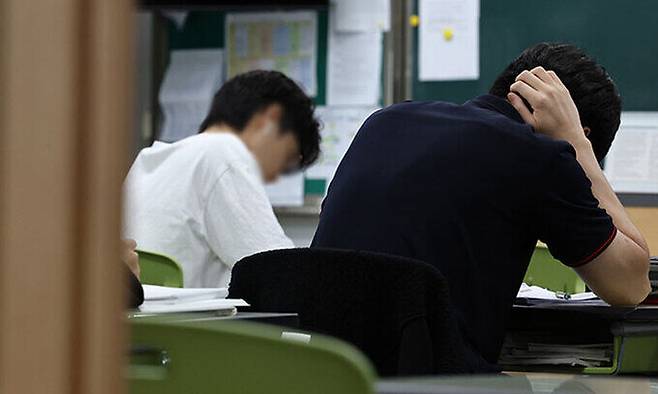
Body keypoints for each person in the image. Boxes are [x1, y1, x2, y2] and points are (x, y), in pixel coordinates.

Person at [312, 43, 651, 368]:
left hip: (330, 372)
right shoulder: (538, 156)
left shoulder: (384, 121)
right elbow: (631, 286)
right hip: (429, 380)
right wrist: (577, 145)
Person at [124, 70, 321, 288]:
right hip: (193, 321)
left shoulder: (149, 161)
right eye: (287, 158)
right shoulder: (222, 151)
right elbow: (282, 272)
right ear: (270, 120)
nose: (275, 176)